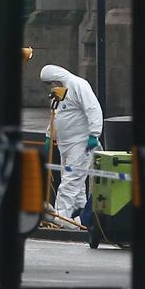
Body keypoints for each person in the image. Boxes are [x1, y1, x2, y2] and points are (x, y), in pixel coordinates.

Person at [40, 65, 103, 224]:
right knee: (75, 182)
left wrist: (94, 134)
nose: (51, 87)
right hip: (65, 145)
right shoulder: (59, 93)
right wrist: (49, 135)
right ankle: (78, 212)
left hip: (81, 143)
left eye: (51, 83)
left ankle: (61, 216)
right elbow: (57, 114)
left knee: (70, 181)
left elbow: (93, 109)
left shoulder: (78, 85)